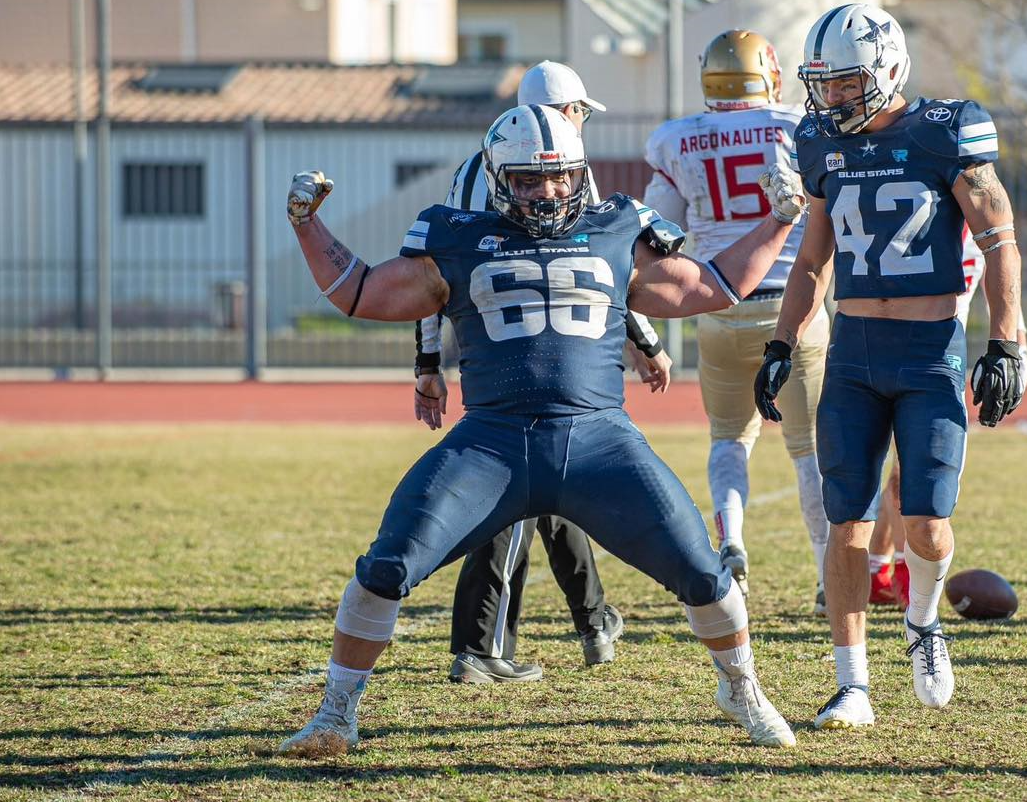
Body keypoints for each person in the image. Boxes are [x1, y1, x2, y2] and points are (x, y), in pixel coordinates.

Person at [279, 102, 808, 755]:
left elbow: (714, 285)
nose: (547, 191)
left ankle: (742, 688)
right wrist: (307, 224)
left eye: (559, 177)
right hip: (491, 444)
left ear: (578, 173)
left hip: (598, 442)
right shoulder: (458, 235)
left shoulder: (617, 226)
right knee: (384, 567)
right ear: (499, 177)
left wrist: (781, 217)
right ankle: (335, 714)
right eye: (528, 179)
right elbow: (360, 292)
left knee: (703, 573)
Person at [754, 3, 1025, 726]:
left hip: (927, 353)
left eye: (845, 83)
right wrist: (781, 342)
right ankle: (852, 685)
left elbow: (999, 239)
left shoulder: (944, 130)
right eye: (823, 84)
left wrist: (1007, 341)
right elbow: (812, 259)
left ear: (887, 69)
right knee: (846, 520)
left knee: (927, 525)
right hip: (850, 355)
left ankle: (923, 622)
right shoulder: (816, 141)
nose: (831, 98)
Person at [412, 61, 672, 684]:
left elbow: (431, 286)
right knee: (517, 499)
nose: (579, 123)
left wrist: (427, 361)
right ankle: (480, 646)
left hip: (510, 347)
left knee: (555, 489)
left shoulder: (481, 167)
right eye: (579, 110)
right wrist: (645, 336)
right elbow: (602, 273)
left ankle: (593, 619)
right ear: (565, 111)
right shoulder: (546, 174)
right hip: (533, 352)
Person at [642, 29, 829, 611]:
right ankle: (830, 575)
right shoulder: (802, 128)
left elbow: (657, 233)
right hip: (792, 304)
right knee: (809, 448)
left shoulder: (679, 139)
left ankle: (734, 542)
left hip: (719, 303)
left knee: (729, 438)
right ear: (768, 72)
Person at [868, 229, 1027, 608]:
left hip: (945, 363)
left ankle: (877, 569)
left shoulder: (985, 231)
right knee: (906, 475)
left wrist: (1019, 351)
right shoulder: (917, 218)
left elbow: (1006, 286)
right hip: (894, 354)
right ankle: (904, 572)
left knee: (911, 472)